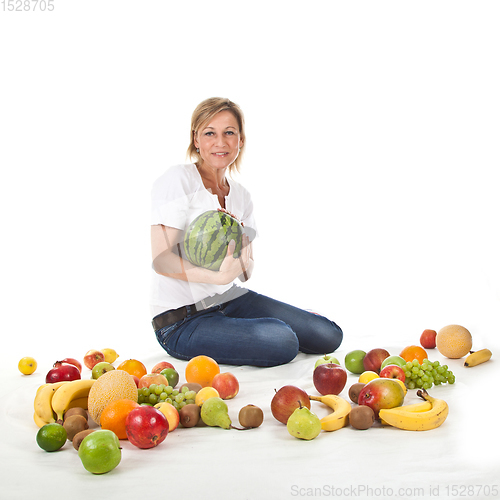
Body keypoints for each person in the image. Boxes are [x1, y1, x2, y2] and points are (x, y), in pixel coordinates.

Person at [150, 97, 342, 367]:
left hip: (231, 299)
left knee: (328, 335)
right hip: (181, 321)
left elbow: (246, 272)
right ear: (196, 140)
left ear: (241, 140)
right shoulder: (178, 179)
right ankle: (269, 331)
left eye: (229, 132)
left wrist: (240, 257)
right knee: (284, 340)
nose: (220, 142)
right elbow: (161, 259)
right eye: (209, 133)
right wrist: (217, 276)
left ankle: (273, 326)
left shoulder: (241, 196)